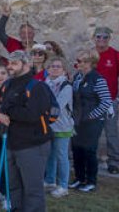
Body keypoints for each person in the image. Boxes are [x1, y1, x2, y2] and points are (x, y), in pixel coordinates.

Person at [0, 50, 52, 212]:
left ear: (26, 65)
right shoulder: (6, 85)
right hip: (11, 143)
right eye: (9, 63)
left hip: (32, 145)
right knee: (14, 187)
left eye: (14, 63)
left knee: (32, 189)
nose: (9, 67)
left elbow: (32, 114)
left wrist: (7, 112)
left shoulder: (37, 87)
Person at [70, 49, 112, 192]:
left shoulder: (98, 79)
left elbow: (106, 101)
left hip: (93, 122)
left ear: (89, 63)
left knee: (89, 150)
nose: (77, 63)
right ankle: (79, 178)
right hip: (78, 120)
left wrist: (92, 115)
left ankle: (91, 181)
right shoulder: (77, 77)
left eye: (80, 61)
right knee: (77, 149)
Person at [91, 25, 119, 173]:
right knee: (91, 132)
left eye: (105, 37)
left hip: (109, 101)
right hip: (92, 101)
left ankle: (113, 162)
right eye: (98, 36)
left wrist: (118, 98)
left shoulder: (117, 55)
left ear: (109, 39)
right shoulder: (89, 54)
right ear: (93, 38)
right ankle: (90, 159)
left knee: (111, 132)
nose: (101, 39)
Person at [42, 56, 74, 196]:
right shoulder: (45, 84)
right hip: (48, 126)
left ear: (63, 70)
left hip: (62, 125)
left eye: (58, 66)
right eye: (52, 66)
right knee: (50, 154)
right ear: (47, 69)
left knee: (61, 156)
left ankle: (63, 185)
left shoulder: (66, 86)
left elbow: (58, 105)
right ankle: (50, 181)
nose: (55, 68)